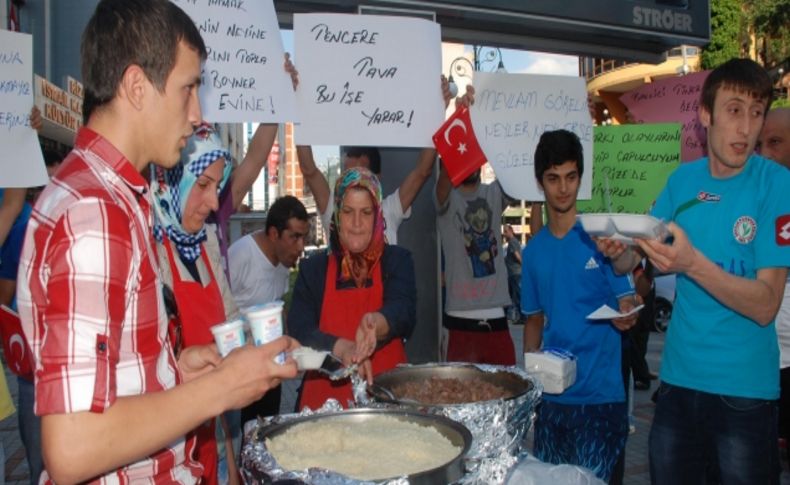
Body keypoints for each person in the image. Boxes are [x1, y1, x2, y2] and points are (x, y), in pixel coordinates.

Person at [16, 2, 297, 483]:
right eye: (189, 88)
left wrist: (170, 371)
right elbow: (73, 445)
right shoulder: (95, 213)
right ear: (135, 87)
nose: (196, 113)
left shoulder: (111, 198)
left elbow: (104, 384)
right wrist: (223, 388)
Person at [599, 58, 790, 484]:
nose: (746, 128)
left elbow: (765, 305)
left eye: (756, 113)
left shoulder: (776, 185)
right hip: (678, 386)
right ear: (705, 115)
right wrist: (618, 252)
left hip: (745, 394)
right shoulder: (682, 182)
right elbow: (639, 256)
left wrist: (692, 264)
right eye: (734, 110)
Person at [520, 129, 638, 482]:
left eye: (571, 177)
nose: (563, 188)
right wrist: (529, 378)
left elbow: (627, 294)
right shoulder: (533, 252)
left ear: (580, 178)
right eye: (553, 178)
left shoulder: (602, 238)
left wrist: (626, 316)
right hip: (552, 402)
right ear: (540, 182)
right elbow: (533, 320)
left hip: (601, 399)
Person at [150, 122, 240, 485]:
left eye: (217, 187)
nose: (214, 202)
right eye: (202, 185)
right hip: (166, 447)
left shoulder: (205, 246)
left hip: (213, 435)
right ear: (171, 180)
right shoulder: (149, 253)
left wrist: (229, 463)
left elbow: (230, 325)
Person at [288, 167, 416, 410]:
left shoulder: (397, 261)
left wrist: (376, 323)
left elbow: (404, 310)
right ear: (336, 214)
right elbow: (300, 328)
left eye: (366, 213)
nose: (357, 224)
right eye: (348, 212)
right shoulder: (313, 270)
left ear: (378, 215)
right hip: (322, 409)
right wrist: (342, 348)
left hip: (387, 402)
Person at [296, 77, 452, 244]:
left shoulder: (389, 210)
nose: (351, 182)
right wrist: (295, 103)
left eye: (359, 175)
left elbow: (422, 171)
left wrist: (438, 111)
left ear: (377, 178)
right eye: (347, 174)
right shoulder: (333, 211)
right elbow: (309, 170)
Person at [434, 87, 516, 365]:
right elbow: (444, 175)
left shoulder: (494, 193)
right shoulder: (446, 199)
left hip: (498, 321)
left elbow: (518, 168)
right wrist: (459, 120)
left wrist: (484, 121)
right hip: (458, 323)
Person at [228, 195, 309, 419]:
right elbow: (217, 308)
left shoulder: (283, 261)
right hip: (238, 372)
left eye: (304, 237)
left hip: (271, 370)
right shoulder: (241, 255)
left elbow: (278, 305)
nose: (301, 247)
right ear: (274, 234)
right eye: (294, 237)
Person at [761, 107, 790, 460]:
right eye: (760, 144)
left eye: (776, 143)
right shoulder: (756, 201)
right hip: (762, 362)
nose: (766, 154)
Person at [502, 224, 523, 324]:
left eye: (506, 232)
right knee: (509, 296)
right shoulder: (512, 242)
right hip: (512, 274)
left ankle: (522, 317)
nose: (504, 234)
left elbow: (517, 256)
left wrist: (524, 266)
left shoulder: (513, 242)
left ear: (511, 231)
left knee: (517, 296)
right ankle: (506, 316)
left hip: (515, 273)